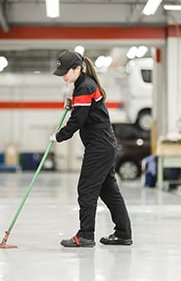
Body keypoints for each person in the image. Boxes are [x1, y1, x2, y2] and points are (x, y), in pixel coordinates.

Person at [51, 50, 132, 247]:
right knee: (109, 191)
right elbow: (82, 112)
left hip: (99, 147)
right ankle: (123, 233)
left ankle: (85, 235)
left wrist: (59, 135)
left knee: (86, 189)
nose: (63, 75)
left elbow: (78, 120)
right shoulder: (82, 85)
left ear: (77, 68)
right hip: (104, 145)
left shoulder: (85, 87)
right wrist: (72, 104)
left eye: (66, 72)